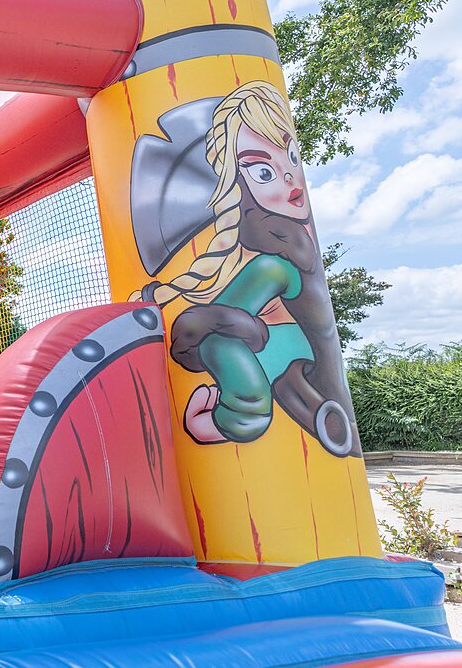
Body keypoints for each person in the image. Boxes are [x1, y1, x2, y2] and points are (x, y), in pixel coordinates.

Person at [135, 81, 358, 457]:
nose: (290, 181)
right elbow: (221, 329)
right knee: (231, 334)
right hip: (269, 366)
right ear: (238, 184)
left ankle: (250, 411)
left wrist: (236, 415)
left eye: (291, 156)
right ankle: (249, 411)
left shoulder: (279, 260)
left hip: (284, 364)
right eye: (264, 172)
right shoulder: (264, 257)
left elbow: (225, 323)